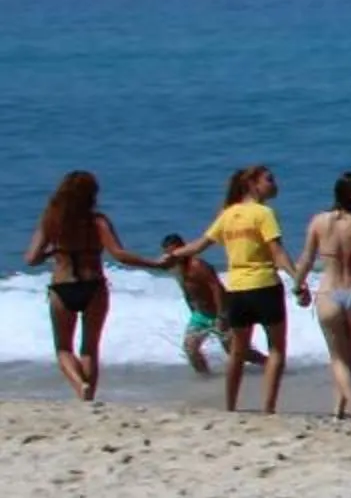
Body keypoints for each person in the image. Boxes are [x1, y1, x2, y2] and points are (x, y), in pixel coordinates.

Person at [165, 166, 297, 413]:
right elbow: (277, 252)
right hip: (265, 286)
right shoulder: (264, 213)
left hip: (237, 291)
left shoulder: (228, 215)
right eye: (269, 179)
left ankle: (230, 408)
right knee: (277, 349)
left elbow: (198, 245)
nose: (274, 183)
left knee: (237, 352)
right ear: (252, 184)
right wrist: (298, 279)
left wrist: (172, 255)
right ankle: (267, 409)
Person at [23, 172, 164, 402]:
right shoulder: (98, 221)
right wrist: (154, 263)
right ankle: (86, 398)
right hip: (94, 287)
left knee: (63, 349)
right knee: (89, 347)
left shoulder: (51, 221)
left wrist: (53, 253)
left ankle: (80, 386)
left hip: (63, 287)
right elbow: (119, 254)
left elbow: (30, 258)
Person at [288, 172, 351, 420]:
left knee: (340, 358)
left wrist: (298, 286)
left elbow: (306, 258)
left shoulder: (319, 221)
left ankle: (347, 410)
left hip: (329, 294)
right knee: (347, 356)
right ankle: (350, 410)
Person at [165, 238, 237, 378]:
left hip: (221, 313)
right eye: (170, 253)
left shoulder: (198, 265)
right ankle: (206, 378)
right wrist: (193, 310)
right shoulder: (176, 269)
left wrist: (222, 315)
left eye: (177, 250)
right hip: (201, 315)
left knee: (236, 351)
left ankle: (269, 364)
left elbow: (217, 288)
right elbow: (187, 291)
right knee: (190, 349)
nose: (175, 255)